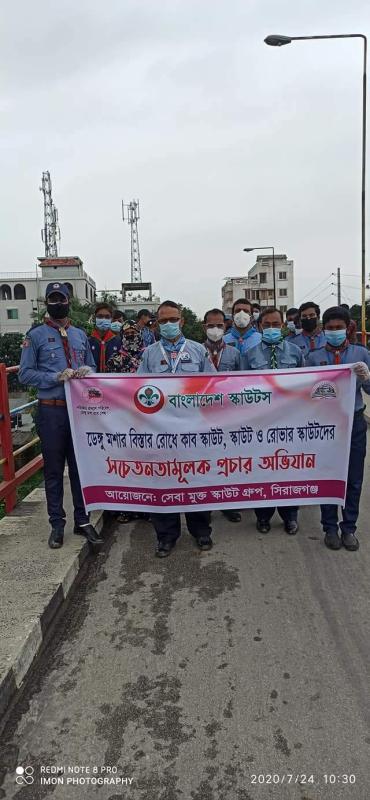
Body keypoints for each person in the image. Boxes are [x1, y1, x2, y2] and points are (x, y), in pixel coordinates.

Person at [18, 283, 103, 550]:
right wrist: (54, 376)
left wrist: (87, 372)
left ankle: (83, 520)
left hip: (79, 411)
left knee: (80, 468)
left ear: (69, 301)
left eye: (61, 299)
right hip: (51, 409)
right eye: (52, 299)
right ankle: (57, 524)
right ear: (47, 303)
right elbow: (24, 374)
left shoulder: (79, 335)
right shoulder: (35, 336)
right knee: (54, 469)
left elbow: (91, 366)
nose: (58, 303)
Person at [137, 300, 216, 557]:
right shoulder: (149, 353)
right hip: (161, 430)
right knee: (163, 481)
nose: (168, 325)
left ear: (182, 321)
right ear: (156, 324)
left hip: (193, 429)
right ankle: (166, 536)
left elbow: (213, 386)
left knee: (196, 479)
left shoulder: (198, 351)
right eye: (163, 321)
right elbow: (136, 389)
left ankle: (201, 531)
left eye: (173, 320)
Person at [305, 305, 370, 551]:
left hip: (354, 423)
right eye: (330, 328)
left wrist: (367, 378)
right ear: (323, 329)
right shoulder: (312, 357)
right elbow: (303, 393)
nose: (334, 332)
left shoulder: (361, 354)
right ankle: (329, 527)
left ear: (348, 328)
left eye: (339, 328)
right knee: (328, 475)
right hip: (325, 425)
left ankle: (349, 528)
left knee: (353, 478)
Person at [242, 307, 304, 536]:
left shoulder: (296, 352)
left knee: (289, 470)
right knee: (263, 470)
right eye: (266, 325)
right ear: (259, 327)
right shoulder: (249, 355)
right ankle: (263, 516)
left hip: (290, 423)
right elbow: (241, 391)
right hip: (261, 424)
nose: (271, 328)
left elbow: (305, 386)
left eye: (276, 324)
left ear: (283, 326)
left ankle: (290, 517)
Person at [203, 307, 241, 524]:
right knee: (206, 462)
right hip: (203, 416)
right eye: (211, 325)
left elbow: (244, 386)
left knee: (227, 462)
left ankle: (228, 504)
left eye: (219, 325)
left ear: (226, 326)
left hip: (229, 417)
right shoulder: (197, 352)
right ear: (204, 327)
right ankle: (206, 505)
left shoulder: (235, 354)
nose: (215, 329)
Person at [88, 303, 122, 372]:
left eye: (107, 317)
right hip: (91, 381)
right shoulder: (88, 341)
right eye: (100, 316)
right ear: (95, 318)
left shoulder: (118, 341)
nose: (103, 319)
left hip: (112, 381)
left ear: (111, 319)